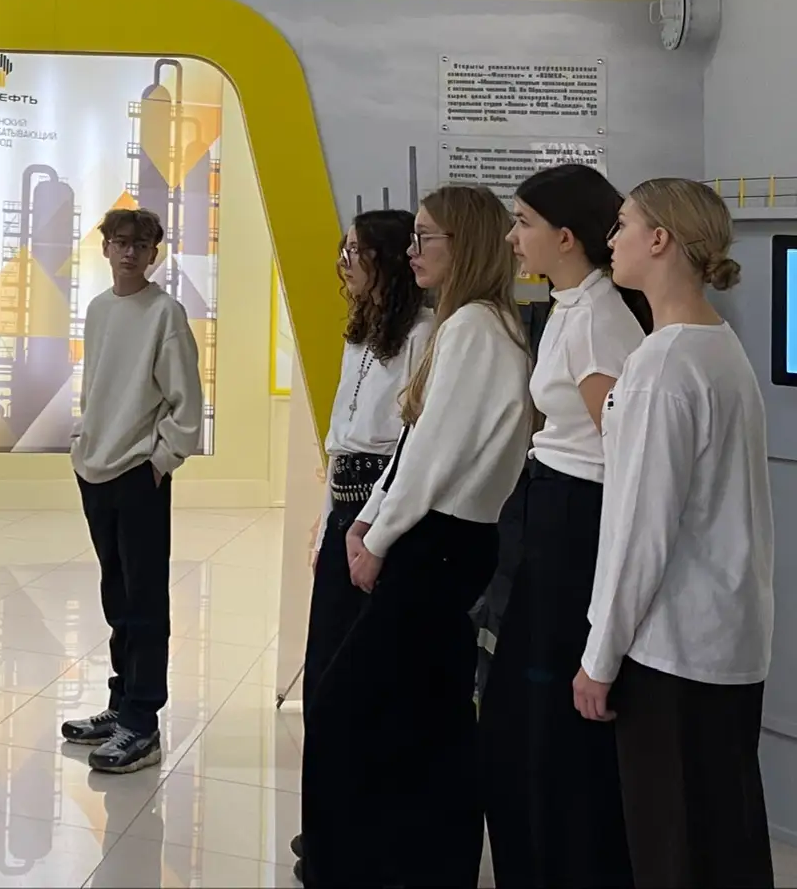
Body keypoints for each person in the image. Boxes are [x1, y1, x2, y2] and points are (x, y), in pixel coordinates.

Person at [299, 185, 532, 888]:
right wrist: (367, 517)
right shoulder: (477, 323)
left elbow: (434, 452)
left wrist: (378, 533)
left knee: (349, 703)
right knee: (431, 709)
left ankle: (352, 859)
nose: (411, 251)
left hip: (439, 538)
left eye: (424, 237)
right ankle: (420, 859)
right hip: (438, 534)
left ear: (464, 244)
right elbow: (417, 442)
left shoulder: (470, 328)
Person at [575, 179, 774, 889]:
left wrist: (599, 656)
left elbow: (640, 530)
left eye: (623, 224)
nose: (611, 240)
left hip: (673, 652)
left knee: (674, 851)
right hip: (726, 641)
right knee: (726, 840)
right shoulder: (718, 347)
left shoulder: (664, 365)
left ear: (659, 239)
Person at [480, 164, 648, 887]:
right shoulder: (571, 306)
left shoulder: (600, 319)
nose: (512, 238)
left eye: (523, 223)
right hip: (548, 510)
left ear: (567, 236)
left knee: (547, 714)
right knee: (520, 711)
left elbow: (623, 451)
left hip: (574, 524)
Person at [289, 210, 429, 874]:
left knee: (364, 683)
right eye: (343, 250)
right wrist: (327, 526)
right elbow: (339, 446)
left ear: (390, 261)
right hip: (346, 507)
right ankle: (329, 822)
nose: (345, 264)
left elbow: (409, 447)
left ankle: (361, 831)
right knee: (323, 675)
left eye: (358, 252)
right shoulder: (360, 333)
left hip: (382, 519)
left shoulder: (423, 335)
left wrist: (371, 530)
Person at [61, 206, 204, 775]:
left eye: (140, 245)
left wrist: (161, 460)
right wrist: (84, 441)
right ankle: (121, 705)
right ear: (105, 248)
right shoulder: (99, 310)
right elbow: (97, 386)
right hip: (94, 469)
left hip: (139, 473)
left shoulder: (165, 313)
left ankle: (142, 723)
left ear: (153, 253)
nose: (128, 252)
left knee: (144, 599)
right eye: (120, 242)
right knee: (116, 594)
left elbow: (186, 401)